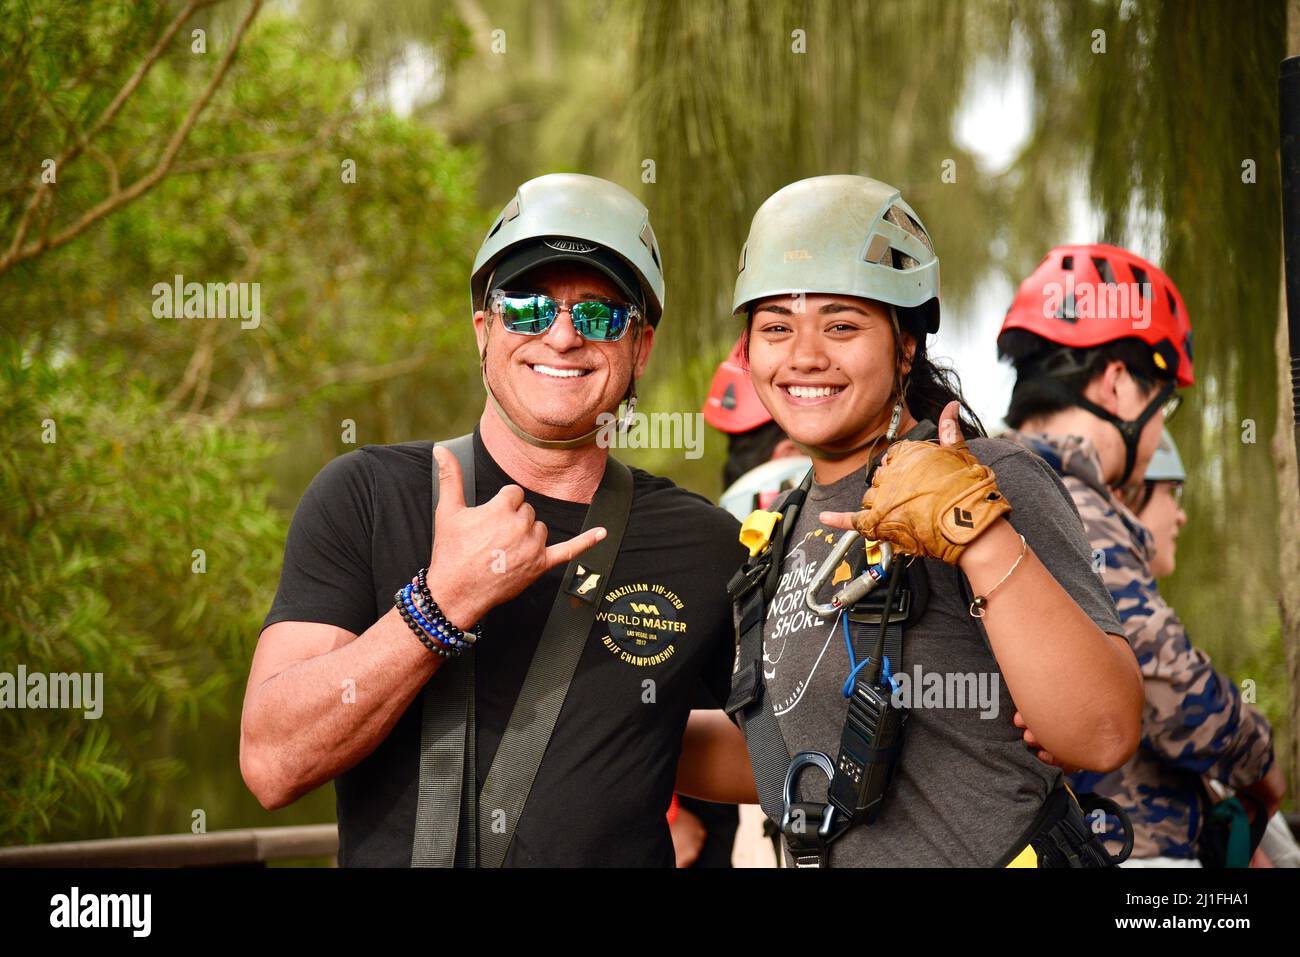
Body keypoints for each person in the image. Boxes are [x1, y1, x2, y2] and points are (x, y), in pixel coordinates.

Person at [241, 173, 748, 867]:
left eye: (600, 315)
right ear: (484, 330)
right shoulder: (365, 495)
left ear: (641, 348)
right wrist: (440, 603)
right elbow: (272, 762)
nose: (563, 335)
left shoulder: (704, 543)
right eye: (529, 309)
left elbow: (792, 750)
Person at [679, 174, 1143, 868]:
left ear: (905, 344)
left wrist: (976, 530)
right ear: (749, 351)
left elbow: (1102, 731)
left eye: (841, 324)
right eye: (776, 327)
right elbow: (789, 752)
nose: (804, 355)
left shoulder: (990, 479)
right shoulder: (783, 532)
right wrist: (609, 721)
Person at [997, 244, 1283, 866]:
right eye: (1163, 407)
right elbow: (1165, 683)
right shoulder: (1070, 503)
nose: (1157, 440)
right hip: (1119, 850)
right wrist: (1261, 765)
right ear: (1119, 383)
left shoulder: (994, 483)